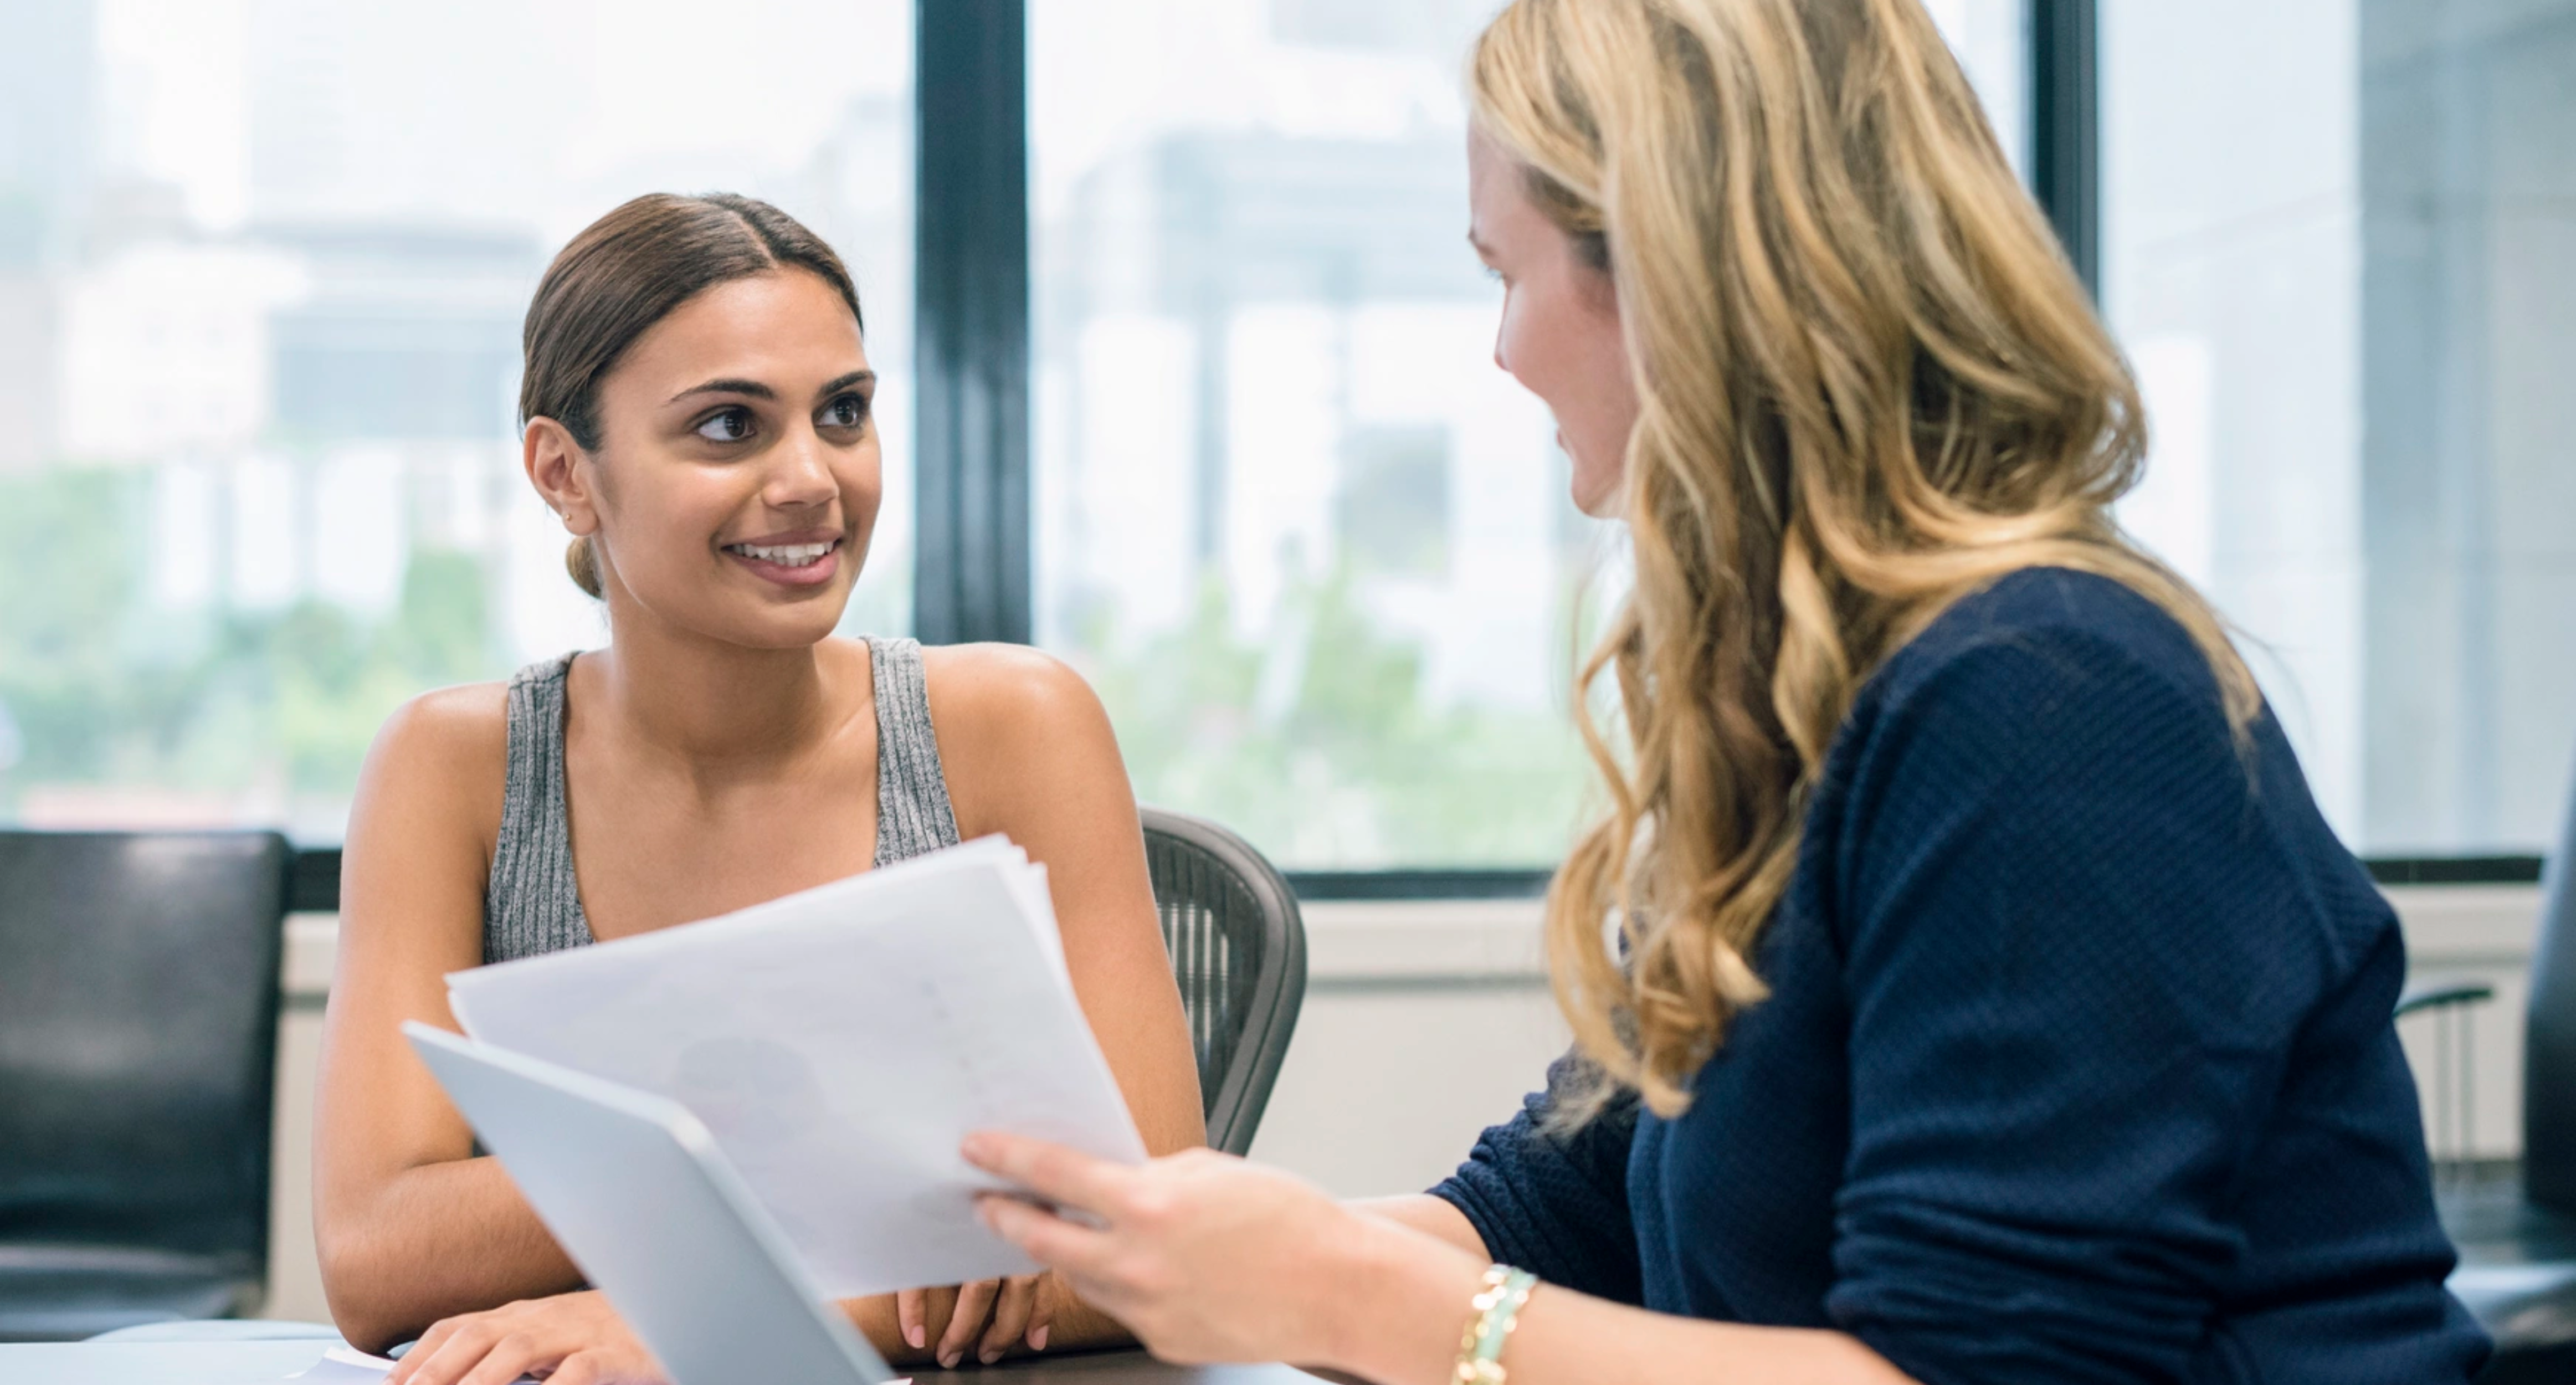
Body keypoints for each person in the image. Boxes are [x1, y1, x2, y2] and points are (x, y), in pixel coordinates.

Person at [962, 1, 2491, 1381]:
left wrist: (1355, 1298)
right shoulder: (1810, 688)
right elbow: (1582, 1193)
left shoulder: (2044, 698)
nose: (1501, 355)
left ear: (1679, 274)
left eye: (1507, 275)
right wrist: (1183, 1259)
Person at [314, 193, 1208, 1380]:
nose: (812, 479)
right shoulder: (451, 767)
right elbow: (378, 1256)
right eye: (729, 425)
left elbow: (1159, 1231)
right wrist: (828, 1162)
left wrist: (696, 1320)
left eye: (843, 412)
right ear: (565, 473)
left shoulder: (1015, 725)